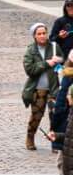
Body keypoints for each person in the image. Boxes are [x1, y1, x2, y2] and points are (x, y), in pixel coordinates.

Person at [25, 22, 61, 152]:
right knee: (36, 116)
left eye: (44, 33)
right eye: (39, 34)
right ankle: (30, 137)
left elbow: (63, 61)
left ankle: (55, 143)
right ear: (34, 36)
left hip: (53, 88)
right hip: (38, 89)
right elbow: (29, 69)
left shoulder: (54, 46)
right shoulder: (31, 50)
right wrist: (46, 63)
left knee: (55, 115)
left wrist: (59, 60)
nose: (42, 36)